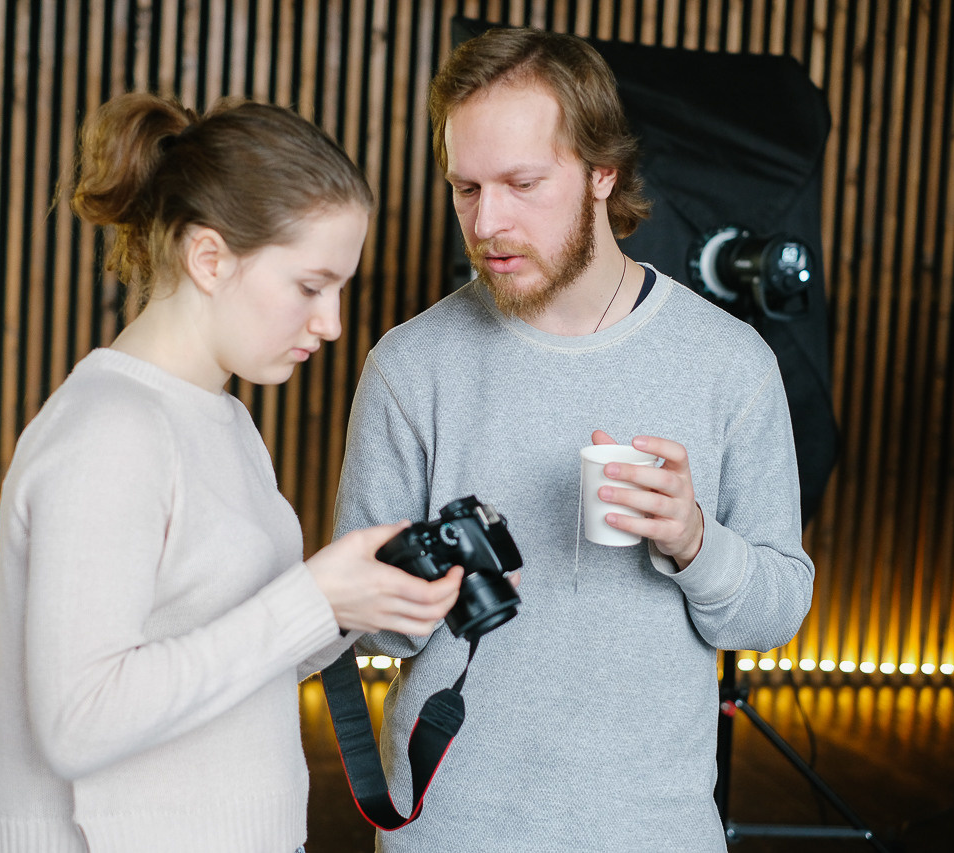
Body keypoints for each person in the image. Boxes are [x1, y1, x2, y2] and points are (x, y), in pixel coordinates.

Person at [334, 27, 815, 853]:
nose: (488, 222)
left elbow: (777, 609)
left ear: (604, 172)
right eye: (465, 187)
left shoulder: (731, 362)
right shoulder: (410, 366)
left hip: (652, 830)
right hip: (448, 827)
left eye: (523, 183)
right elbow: (366, 626)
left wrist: (696, 542)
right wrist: (423, 580)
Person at [0, 92, 462, 853]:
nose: (332, 323)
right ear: (209, 258)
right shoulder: (110, 430)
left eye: (341, 289)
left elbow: (235, 658)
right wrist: (312, 596)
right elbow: (80, 721)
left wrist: (360, 603)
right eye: (310, 286)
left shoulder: (223, 418)